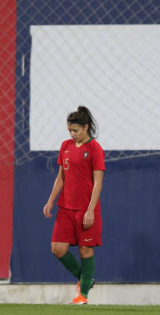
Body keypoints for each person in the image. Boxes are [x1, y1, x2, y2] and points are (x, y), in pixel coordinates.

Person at [43, 106, 105, 305]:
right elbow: (61, 177)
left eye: (76, 130)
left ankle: (83, 295)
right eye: (70, 130)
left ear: (86, 127)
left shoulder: (95, 149)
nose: (72, 134)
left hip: (86, 209)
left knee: (85, 250)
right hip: (66, 208)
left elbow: (98, 182)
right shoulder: (66, 146)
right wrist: (51, 201)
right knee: (57, 249)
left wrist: (90, 211)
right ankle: (85, 279)